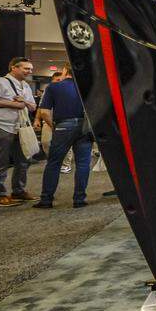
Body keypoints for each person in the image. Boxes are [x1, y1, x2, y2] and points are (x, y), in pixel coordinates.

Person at [0, 57, 37, 206]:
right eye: (26, 68)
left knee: (24, 160)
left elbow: (32, 107)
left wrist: (24, 102)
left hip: (20, 128)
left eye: (31, 69)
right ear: (13, 68)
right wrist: (12, 104)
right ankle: (0, 195)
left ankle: (18, 191)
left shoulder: (26, 86)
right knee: (0, 162)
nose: (29, 71)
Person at [33, 65, 93, 208]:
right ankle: (79, 199)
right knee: (83, 164)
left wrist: (54, 126)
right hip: (85, 127)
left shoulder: (53, 87)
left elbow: (45, 112)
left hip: (63, 125)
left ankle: (46, 200)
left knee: (54, 163)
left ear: (65, 71)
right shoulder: (88, 87)